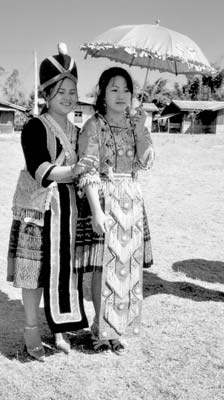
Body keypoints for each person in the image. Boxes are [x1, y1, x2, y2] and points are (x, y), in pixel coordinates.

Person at [7, 43, 89, 361]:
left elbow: (87, 171)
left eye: (72, 90)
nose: (68, 97)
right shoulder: (33, 127)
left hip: (67, 212)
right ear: (46, 93)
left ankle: (59, 326)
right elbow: (41, 170)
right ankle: (30, 329)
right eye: (60, 91)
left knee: (63, 272)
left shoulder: (80, 130)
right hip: (38, 211)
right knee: (36, 273)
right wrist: (75, 169)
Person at [74, 67, 154, 353]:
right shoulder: (93, 126)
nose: (122, 95)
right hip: (104, 198)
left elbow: (145, 163)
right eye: (114, 89)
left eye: (126, 90)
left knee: (126, 266)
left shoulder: (135, 125)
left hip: (131, 199)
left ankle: (116, 328)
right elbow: (88, 170)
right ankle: (100, 328)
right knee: (103, 266)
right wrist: (97, 211)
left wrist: (143, 129)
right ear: (103, 95)